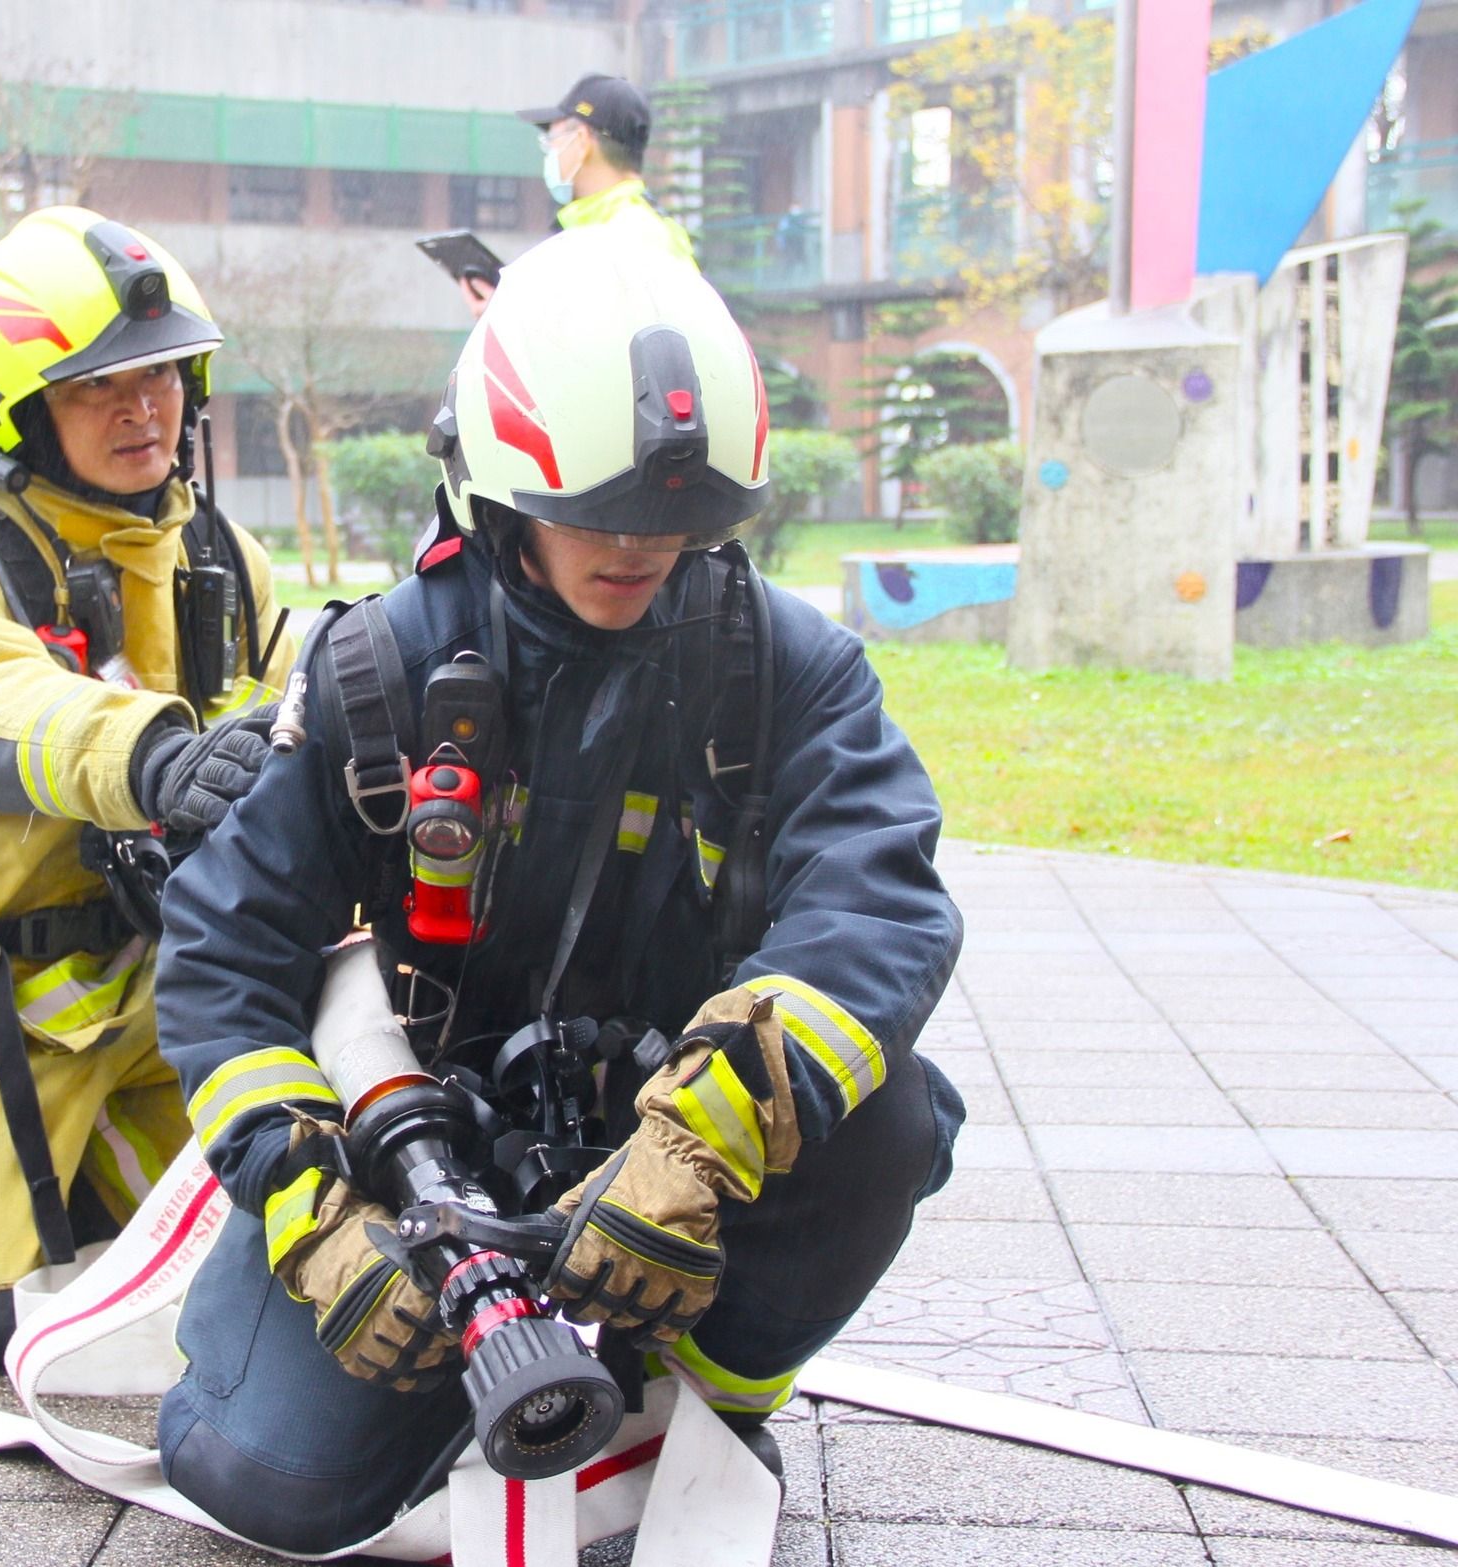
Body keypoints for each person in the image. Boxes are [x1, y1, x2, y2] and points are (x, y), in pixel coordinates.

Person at [153, 230, 965, 1555]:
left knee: (891, 1107)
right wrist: (316, 1212)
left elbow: (881, 903)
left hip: (689, 1138)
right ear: (497, 484)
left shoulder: (784, 669)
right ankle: (445, 1356)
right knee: (271, 1483)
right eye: (599, 507)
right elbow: (219, 957)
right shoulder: (377, 674)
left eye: (674, 516)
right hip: (419, 1152)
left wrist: (708, 1132)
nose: (640, 545)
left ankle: (715, 1386)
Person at [0, 207, 290, 1369]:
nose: (143, 409)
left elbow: (300, 707)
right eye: (96, 388)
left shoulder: (220, 558)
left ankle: (60, 1178)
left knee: (256, 1234)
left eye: (163, 375)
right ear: (24, 409)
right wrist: (158, 756)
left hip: (149, 998)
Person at [459, 72, 694, 320]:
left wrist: (508, 320)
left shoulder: (628, 235)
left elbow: (592, 338)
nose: (550, 153)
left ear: (581, 141)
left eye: (552, 140)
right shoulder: (619, 226)